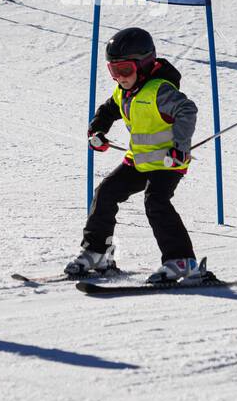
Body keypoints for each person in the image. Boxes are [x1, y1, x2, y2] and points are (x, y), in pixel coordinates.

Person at [69, 28, 205, 285]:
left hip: (167, 162)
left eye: (125, 70)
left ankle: (181, 261)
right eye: (113, 71)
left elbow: (187, 110)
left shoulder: (159, 91)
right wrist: (97, 130)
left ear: (143, 65)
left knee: (156, 202)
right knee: (106, 192)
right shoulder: (124, 91)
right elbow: (108, 110)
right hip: (138, 161)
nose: (119, 78)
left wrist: (180, 147)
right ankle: (97, 253)